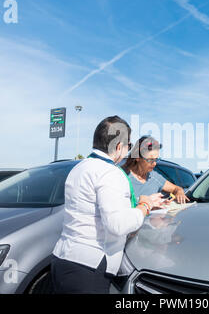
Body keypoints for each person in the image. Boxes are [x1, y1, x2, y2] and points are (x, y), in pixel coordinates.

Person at [51, 116, 162, 294]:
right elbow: (117, 225)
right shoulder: (111, 173)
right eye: (128, 145)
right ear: (118, 147)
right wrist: (145, 206)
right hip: (89, 267)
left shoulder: (78, 168)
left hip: (61, 259)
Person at [122, 136, 190, 204]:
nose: (154, 164)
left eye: (156, 159)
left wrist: (179, 192)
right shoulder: (122, 176)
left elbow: (176, 189)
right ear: (137, 157)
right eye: (150, 160)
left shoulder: (154, 177)